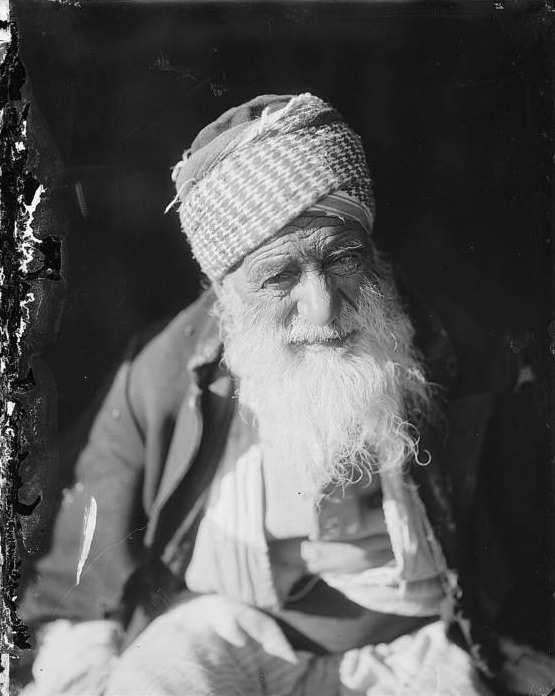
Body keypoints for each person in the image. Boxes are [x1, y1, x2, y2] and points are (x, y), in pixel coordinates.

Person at [20, 94, 554, 696]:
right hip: (219, 638)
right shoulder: (160, 373)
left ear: (372, 250)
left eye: (343, 259)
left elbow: (534, 562)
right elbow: (77, 584)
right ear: (224, 290)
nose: (322, 309)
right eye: (278, 277)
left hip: (417, 651)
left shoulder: (474, 361)